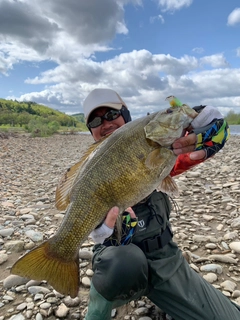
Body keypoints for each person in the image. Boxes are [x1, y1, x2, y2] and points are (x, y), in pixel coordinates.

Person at [82, 88, 239, 320]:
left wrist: (212, 127)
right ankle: (100, 306)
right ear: (91, 131)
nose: (105, 123)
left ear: (126, 115)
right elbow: (77, 212)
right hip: (118, 264)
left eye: (111, 114)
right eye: (95, 120)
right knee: (120, 265)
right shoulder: (87, 175)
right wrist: (93, 229)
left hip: (165, 259)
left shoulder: (159, 154)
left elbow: (190, 151)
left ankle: (168, 297)